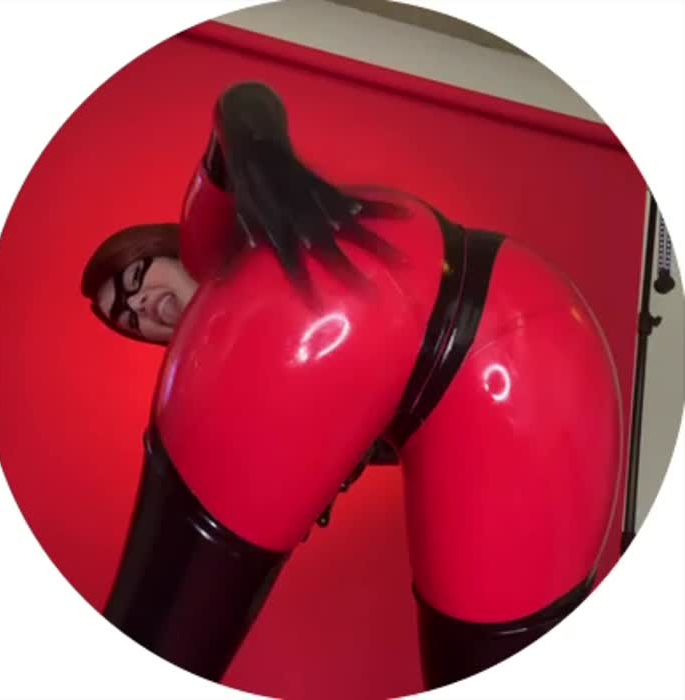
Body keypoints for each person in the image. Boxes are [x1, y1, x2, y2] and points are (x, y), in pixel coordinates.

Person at [101, 82, 623, 690]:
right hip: (540, 331)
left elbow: (242, 107)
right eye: (126, 318)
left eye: (134, 277)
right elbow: (245, 108)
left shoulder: (211, 248)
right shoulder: (235, 372)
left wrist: (262, 147)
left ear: (162, 249)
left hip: (526, 340)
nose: (139, 304)